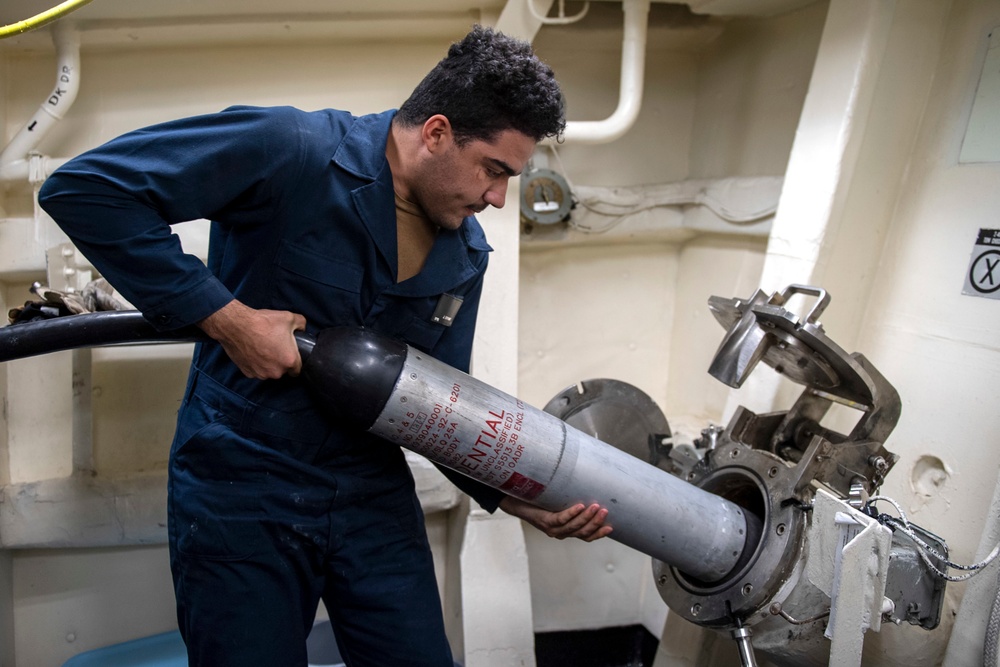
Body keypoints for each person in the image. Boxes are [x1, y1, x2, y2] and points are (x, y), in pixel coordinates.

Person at [39, 24, 611, 667]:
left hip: (369, 492)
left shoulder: (465, 253)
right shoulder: (294, 150)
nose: (499, 198)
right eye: (494, 170)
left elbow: (440, 406)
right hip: (243, 480)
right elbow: (87, 190)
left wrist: (512, 499)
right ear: (437, 132)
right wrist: (227, 319)